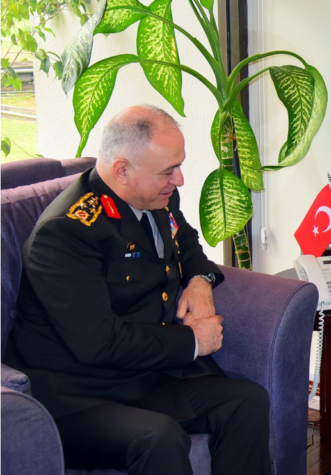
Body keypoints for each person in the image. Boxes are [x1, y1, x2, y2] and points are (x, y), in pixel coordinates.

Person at [6, 105, 271, 475]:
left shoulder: (157, 196)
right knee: (159, 438)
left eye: (179, 166)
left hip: (145, 377)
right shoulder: (65, 233)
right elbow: (99, 344)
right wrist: (193, 342)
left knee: (247, 400)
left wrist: (200, 280)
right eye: (168, 171)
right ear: (122, 170)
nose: (179, 179)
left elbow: (186, 243)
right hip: (80, 395)